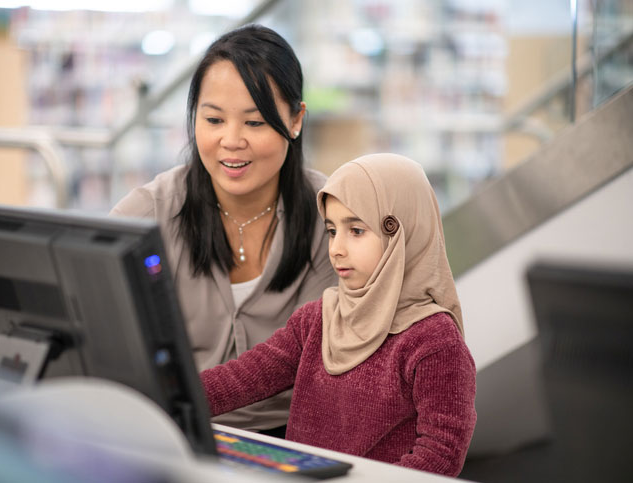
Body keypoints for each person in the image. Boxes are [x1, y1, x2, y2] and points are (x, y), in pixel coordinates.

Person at [110, 24, 336, 436]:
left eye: (254, 123)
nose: (231, 141)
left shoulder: (331, 213)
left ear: (296, 120)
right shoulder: (152, 209)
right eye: (213, 119)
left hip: (297, 438)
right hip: (177, 430)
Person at [201, 153, 477, 476]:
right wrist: (170, 393)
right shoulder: (317, 320)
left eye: (356, 230)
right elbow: (244, 377)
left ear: (399, 234)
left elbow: (441, 454)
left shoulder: (434, 341)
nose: (337, 249)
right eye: (332, 231)